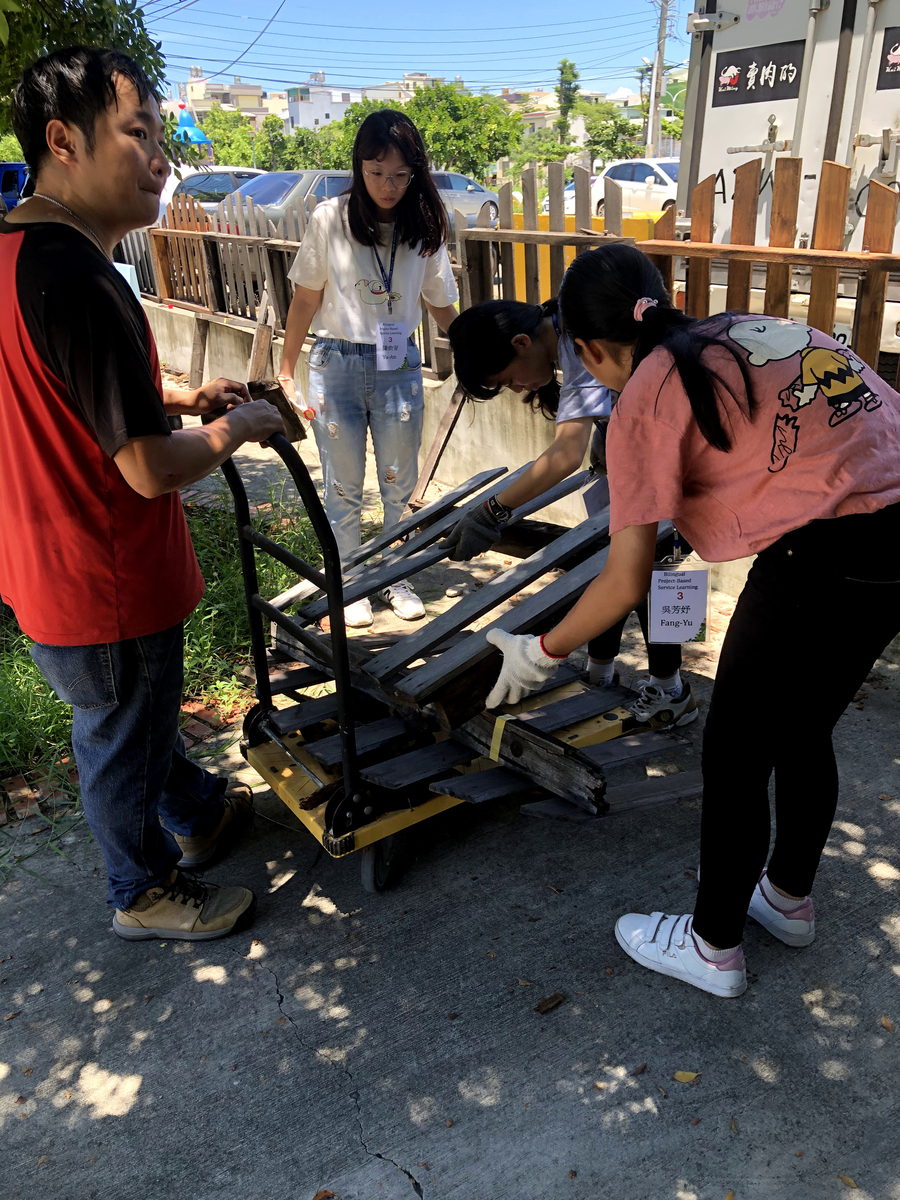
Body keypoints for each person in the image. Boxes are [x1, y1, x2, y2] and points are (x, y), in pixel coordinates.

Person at [485, 243, 900, 998]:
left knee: (736, 753)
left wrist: (537, 649)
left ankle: (712, 947)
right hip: (895, 541)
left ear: (584, 348)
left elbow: (623, 584)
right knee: (804, 729)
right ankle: (787, 898)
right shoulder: (739, 327)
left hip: (825, 553)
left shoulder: (643, 397)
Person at [0, 47, 287, 941]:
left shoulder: (17, 255)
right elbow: (148, 470)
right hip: (109, 574)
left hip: (42, 564)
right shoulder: (82, 277)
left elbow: (69, 385)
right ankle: (143, 891)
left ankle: (198, 815)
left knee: (131, 719)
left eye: (161, 134)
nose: (161, 156)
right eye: (139, 133)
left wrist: (182, 398)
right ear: (64, 141)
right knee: (119, 737)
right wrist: (237, 429)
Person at [445, 298, 696, 730]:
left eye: (507, 380)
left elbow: (564, 455)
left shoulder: (581, 340)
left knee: (664, 578)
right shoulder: (567, 339)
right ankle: (599, 675)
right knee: (608, 569)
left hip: (676, 473)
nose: (517, 389)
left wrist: (493, 510)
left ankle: (672, 690)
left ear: (521, 343)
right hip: (626, 474)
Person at [277, 110, 459, 627]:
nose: (387, 185)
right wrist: (286, 370)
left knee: (399, 481)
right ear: (359, 167)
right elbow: (305, 300)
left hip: (398, 362)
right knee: (343, 483)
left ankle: (393, 571)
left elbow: (442, 305)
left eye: (400, 175)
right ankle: (353, 580)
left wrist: (470, 350)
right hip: (335, 361)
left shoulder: (425, 224)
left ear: (416, 173)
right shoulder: (328, 219)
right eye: (376, 172)